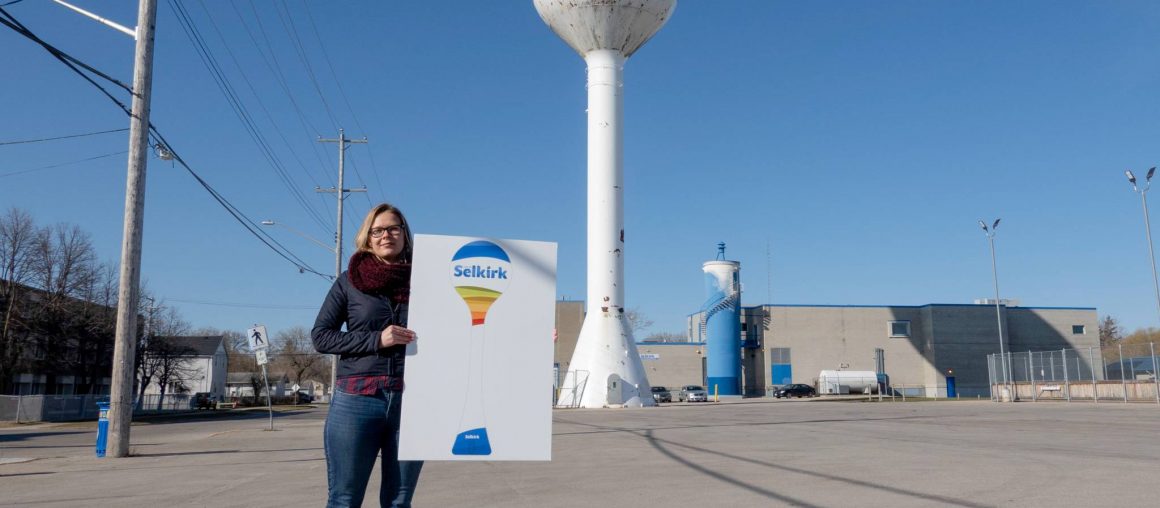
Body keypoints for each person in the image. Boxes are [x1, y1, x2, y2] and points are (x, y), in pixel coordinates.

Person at [312, 203, 423, 508]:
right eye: (378, 230)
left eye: (393, 228)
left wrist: (528, 336)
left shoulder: (430, 280)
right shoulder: (349, 282)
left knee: (399, 502)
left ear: (404, 234)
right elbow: (321, 336)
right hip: (357, 399)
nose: (386, 235)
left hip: (413, 401)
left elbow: (466, 330)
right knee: (344, 500)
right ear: (368, 237)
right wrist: (378, 339)